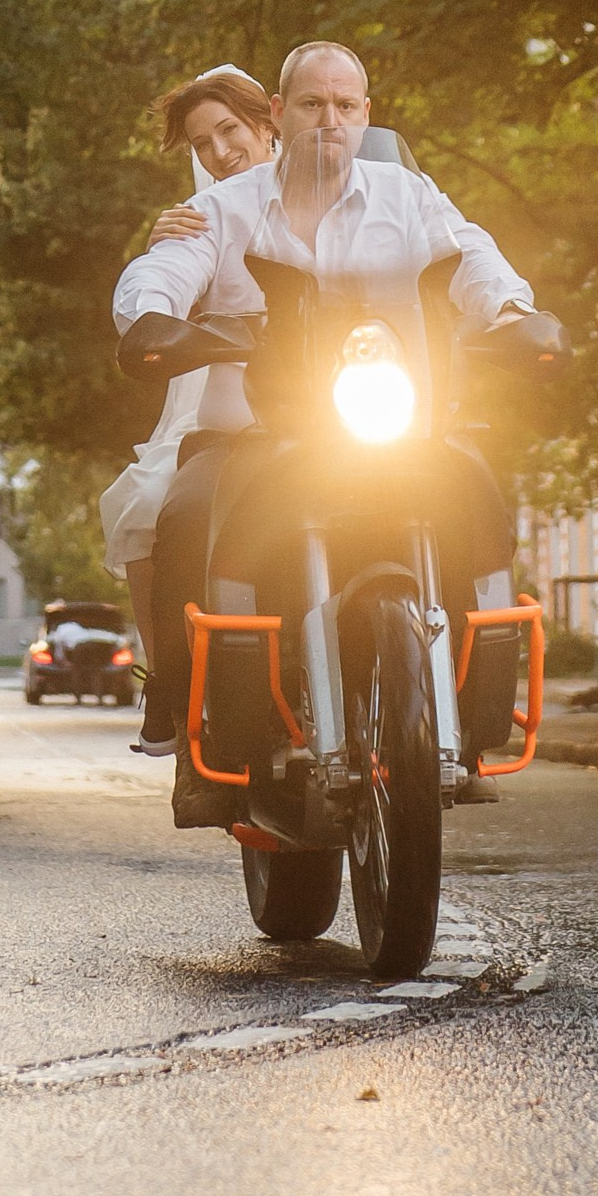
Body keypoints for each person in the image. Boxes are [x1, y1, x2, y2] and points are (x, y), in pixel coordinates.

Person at [112, 40, 540, 816]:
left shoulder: (408, 196)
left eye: (345, 107)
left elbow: (470, 254)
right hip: (250, 432)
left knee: (474, 485)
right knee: (178, 518)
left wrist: (512, 311)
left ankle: (467, 717)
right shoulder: (217, 210)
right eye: (311, 105)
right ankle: (192, 728)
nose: (328, 121)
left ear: (365, 115)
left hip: (393, 423)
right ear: (281, 113)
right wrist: (151, 313)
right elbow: (163, 270)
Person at [99, 63, 279, 750]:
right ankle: (169, 677)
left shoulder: (331, 185)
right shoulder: (200, 216)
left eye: (229, 129)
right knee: (151, 504)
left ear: (266, 119)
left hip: (343, 385)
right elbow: (170, 273)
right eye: (203, 143)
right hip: (232, 386)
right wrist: (153, 284)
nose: (220, 150)